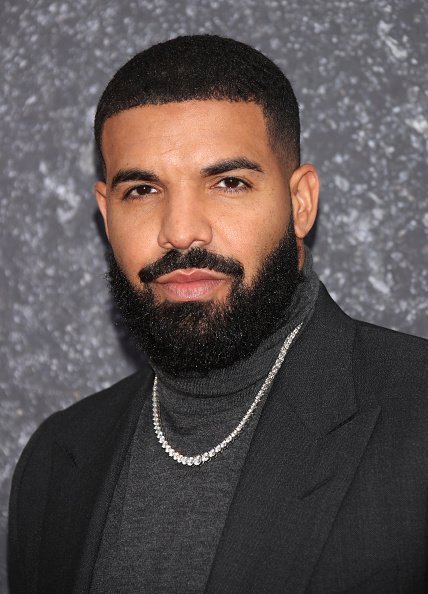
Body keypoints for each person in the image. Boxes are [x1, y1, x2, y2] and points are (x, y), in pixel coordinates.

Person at [8, 34, 427, 594]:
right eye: (142, 190)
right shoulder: (56, 461)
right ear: (105, 213)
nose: (181, 230)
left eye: (228, 182)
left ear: (300, 202)